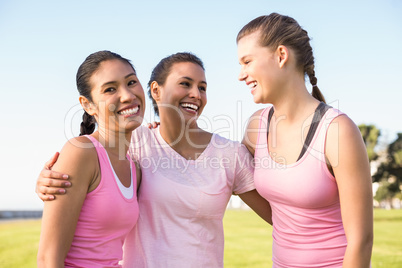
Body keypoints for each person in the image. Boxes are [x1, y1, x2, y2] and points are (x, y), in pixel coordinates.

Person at [36, 52, 272, 267]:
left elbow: (282, 214)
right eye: (185, 84)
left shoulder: (228, 154)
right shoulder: (133, 143)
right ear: (155, 90)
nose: (195, 94)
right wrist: (49, 180)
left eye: (202, 87)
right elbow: (50, 255)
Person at [237, 13, 373, 267]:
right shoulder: (257, 126)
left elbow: (361, 241)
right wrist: (162, 130)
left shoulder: (337, 131)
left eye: (247, 61)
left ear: (281, 56)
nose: (241, 75)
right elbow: (228, 167)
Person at [37, 50, 145, 267]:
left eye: (131, 82)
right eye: (110, 89)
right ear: (88, 105)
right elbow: (49, 259)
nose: (127, 95)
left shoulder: (135, 168)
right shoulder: (81, 152)